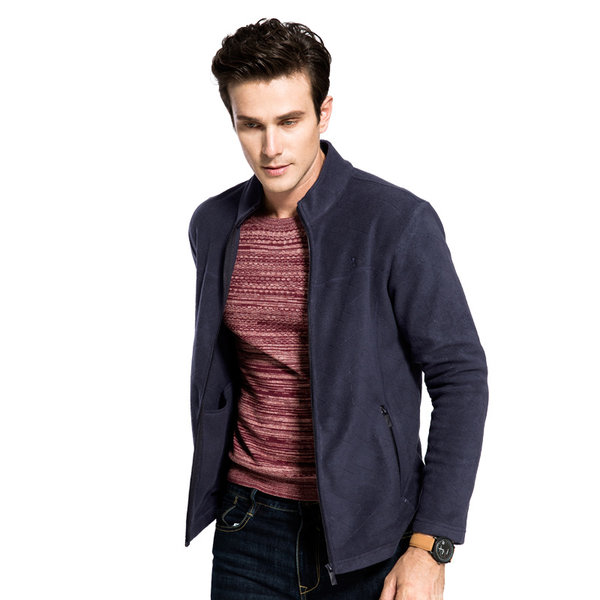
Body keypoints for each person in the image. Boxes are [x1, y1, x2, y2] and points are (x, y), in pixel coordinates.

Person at [184, 17, 488, 600]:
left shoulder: (395, 221)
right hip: (248, 525)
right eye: (251, 125)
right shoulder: (213, 225)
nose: (270, 148)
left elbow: (461, 376)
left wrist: (431, 544)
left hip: (371, 537)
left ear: (323, 114)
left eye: (289, 121)